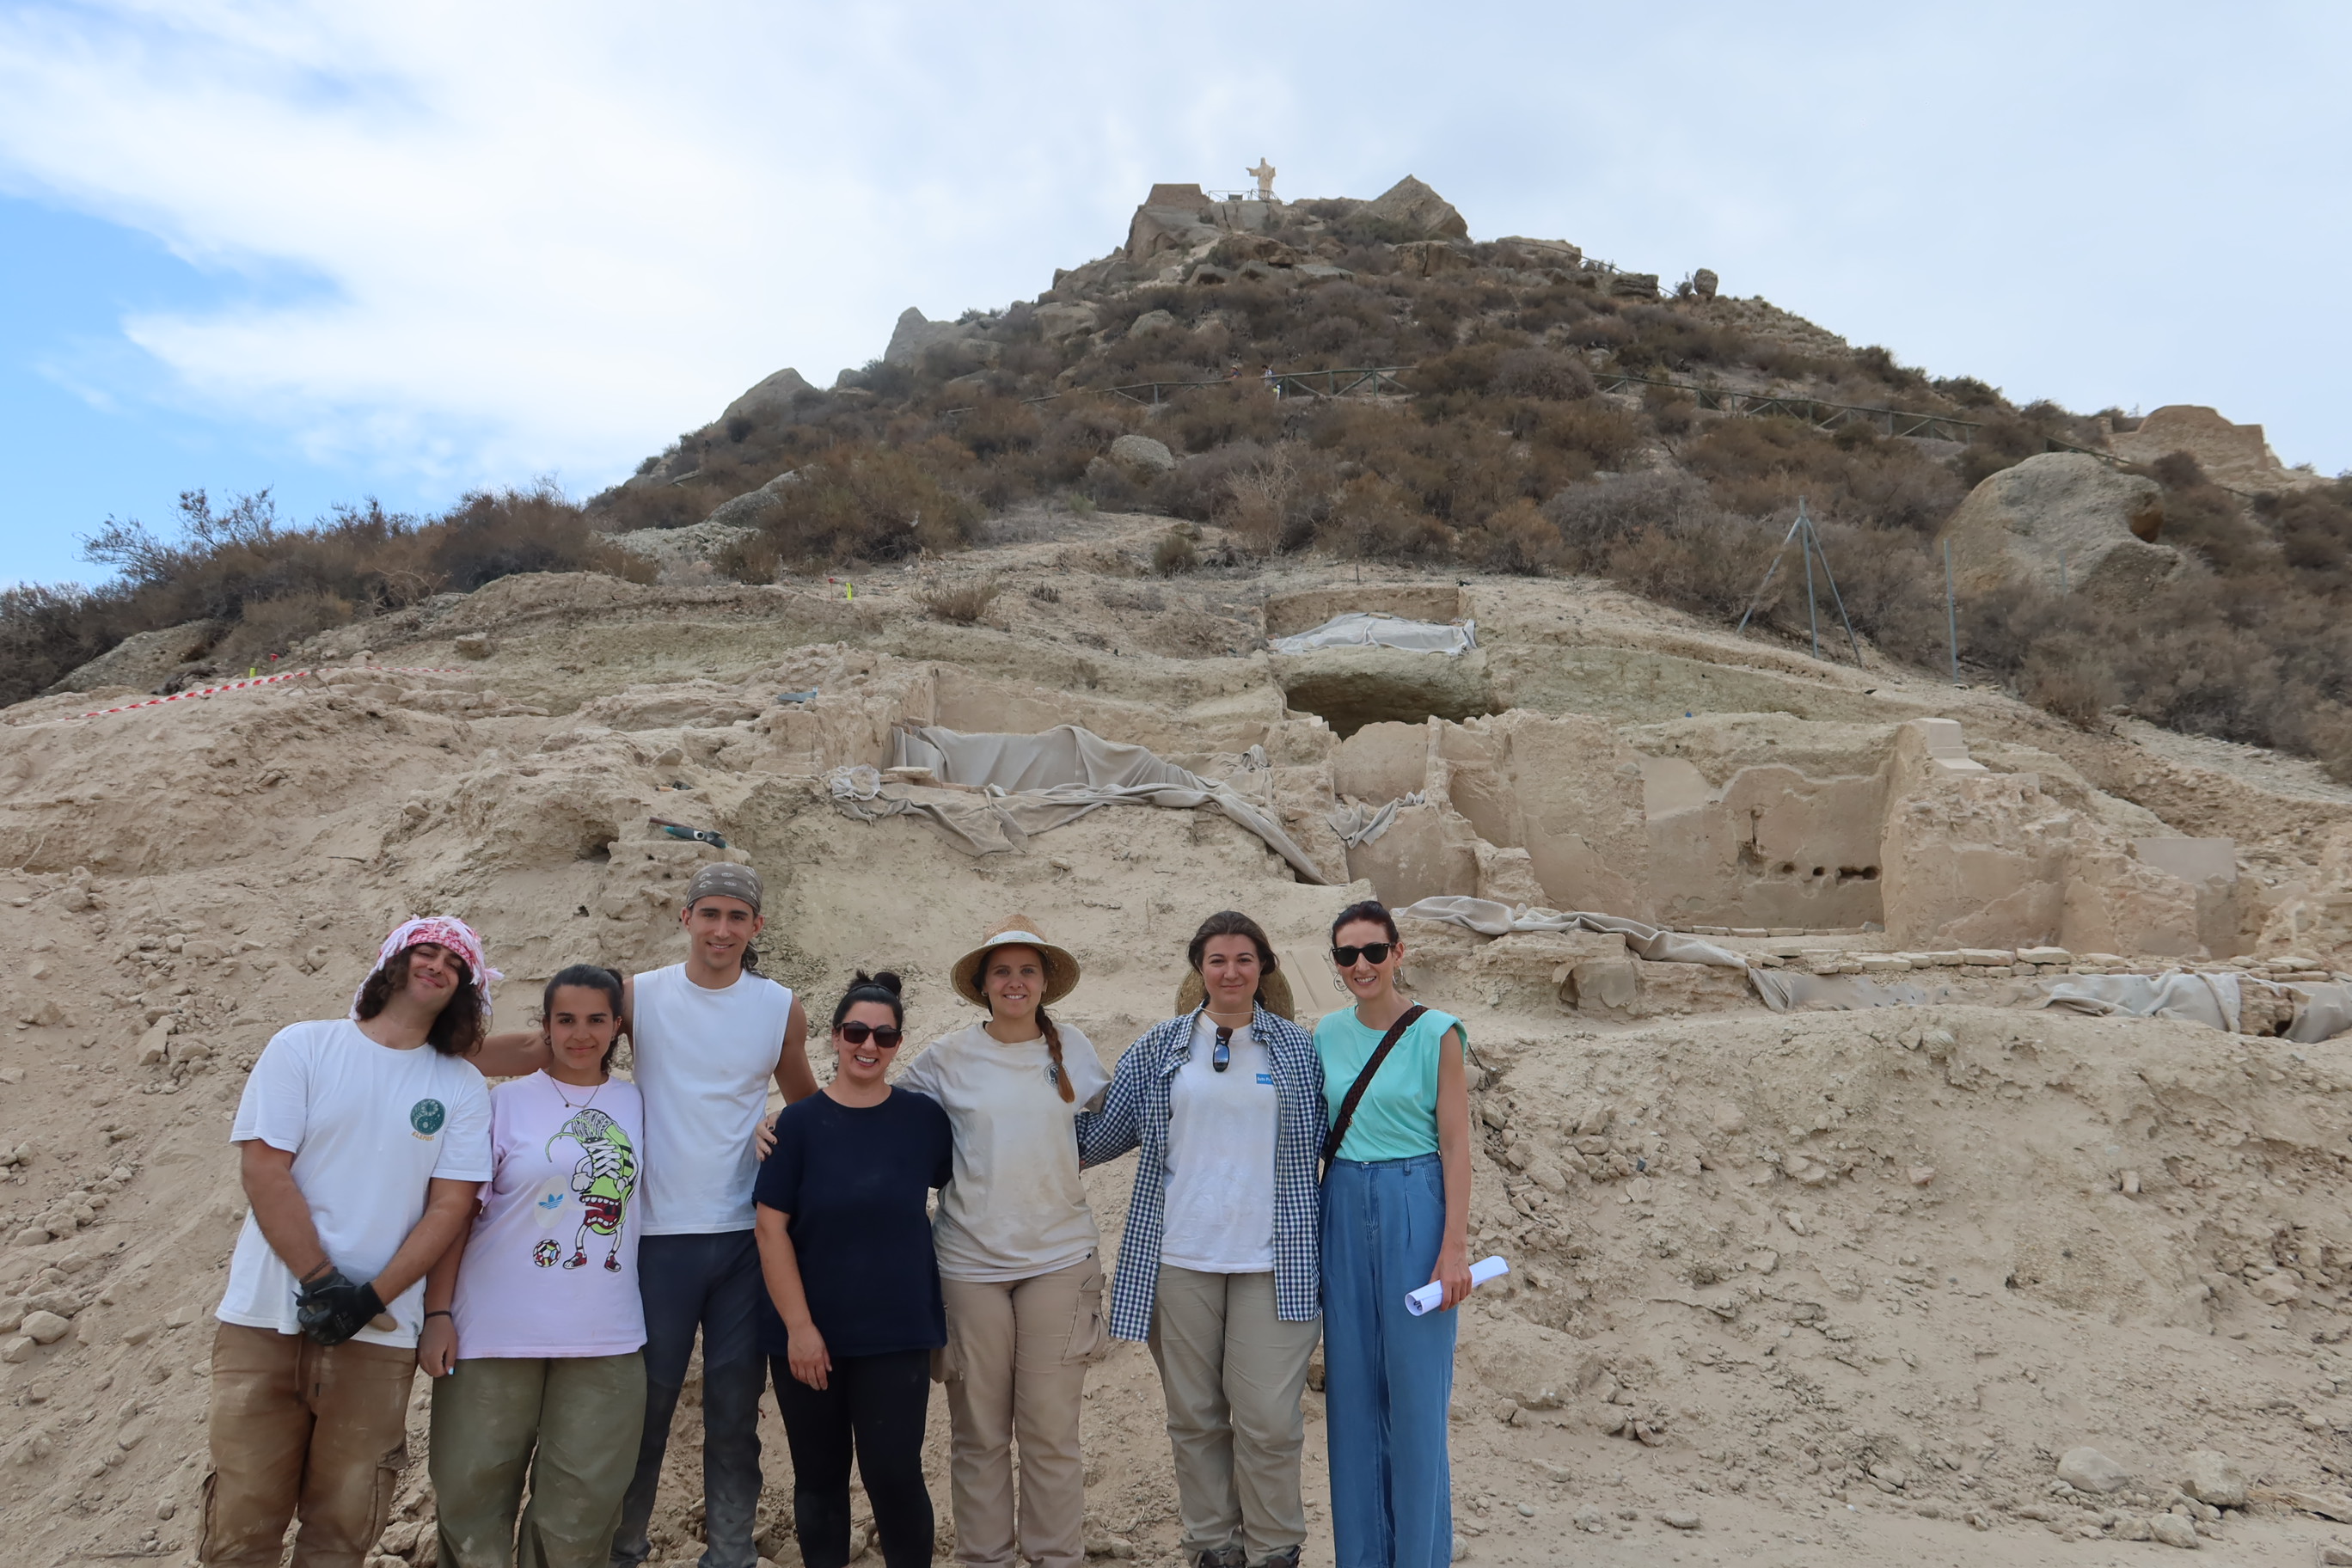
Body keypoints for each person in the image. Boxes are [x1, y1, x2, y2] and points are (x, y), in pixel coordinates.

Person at [474, 861, 815, 1568]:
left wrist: (783, 1119)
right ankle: (623, 1550)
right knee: (644, 1413)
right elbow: (554, 1045)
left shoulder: (780, 1007)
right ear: (685, 918)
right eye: (709, 913)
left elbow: (809, 1105)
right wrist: (443, 1047)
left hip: (743, 1240)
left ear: (756, 926)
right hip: (655, 1240)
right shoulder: (639, 995)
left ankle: (731, 1555)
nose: (722, 929)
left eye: (737, 917)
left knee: (733, 1412)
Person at [203, 917, 498, 1568]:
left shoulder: (460, 1087)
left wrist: (368, 1300)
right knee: (240, 1526)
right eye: (425, 952)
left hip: (379, 1336)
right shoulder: (304, 1047)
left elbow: (450, 1207)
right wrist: (322, 1282)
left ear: (466, 990)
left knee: (342, 1530)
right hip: (265, 1321)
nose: (438, 966)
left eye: (455, 964)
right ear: (392, 964)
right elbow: (264, 1169)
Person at [1078, 912, 1326, 1568]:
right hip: (1179, 1257)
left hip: (1275, 1261)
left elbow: (1334, 1139)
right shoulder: (1160, 1046)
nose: (1231, 971)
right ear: (1200, 968)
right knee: (1194, 1417)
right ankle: (1213, 1547)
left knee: (1268, 1419)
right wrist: (1017, 1106)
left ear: (1263, 968)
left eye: (1244, 959)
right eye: (1217, 959)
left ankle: (1275, 1550)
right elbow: (1100, 1136)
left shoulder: (1298, 1050)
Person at [897, 916, 1110, 1568]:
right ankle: (983, 1559)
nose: (1015, 982)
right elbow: (878, 1111)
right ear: (983, 985)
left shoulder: (1075, 1049)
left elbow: (1121, 1119)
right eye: (1002, 971)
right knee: (979, 1434)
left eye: (1027, 970)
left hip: (1060, 1260)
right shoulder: (945, 1058)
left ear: (1045, 982)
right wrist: (786, 1121)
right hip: (968, 1264)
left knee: (1050, 1432)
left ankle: (1056, 1557)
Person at [421, 965, 647, 1568]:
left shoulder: (640, 1104)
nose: (581, 1034)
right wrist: (438, 1312)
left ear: (618, 1026)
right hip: (492, 1333)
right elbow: (456, 1216)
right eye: (565, 1020)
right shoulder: (502, 1103)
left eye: (596, 1019)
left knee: (580, 1517)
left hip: (605, 1336)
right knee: (470, 1503)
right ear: (544, 1026)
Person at [755, 971, 953, 1568]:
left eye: (884, 1036)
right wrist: (800, 1330)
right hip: (807, 1335)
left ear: (898, 1044)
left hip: (897, 1331)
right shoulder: (795, 1125)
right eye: (856, 1032)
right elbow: (770, 1229)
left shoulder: (924, 1120)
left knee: (895, 1476)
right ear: (835, 1037)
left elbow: (969, 1185)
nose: (869, 1045)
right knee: (819, 1479)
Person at [1314, 899, 1473, 1568]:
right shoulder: (1324, 1034)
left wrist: (1454, 1246)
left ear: (1397, 953)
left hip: (1417, 1202)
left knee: (1415, 1397)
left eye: (1374, 951)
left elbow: (1456, 1145)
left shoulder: (1438, 1032)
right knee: (1351, 1396)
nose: (1362, 965)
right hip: (1343, 1202)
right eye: (1348, 954)